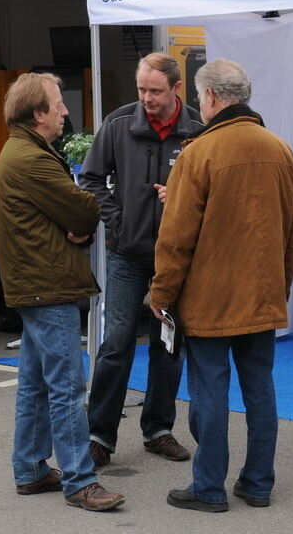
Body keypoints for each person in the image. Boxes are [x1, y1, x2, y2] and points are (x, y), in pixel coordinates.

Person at [149, 59, 293, 513]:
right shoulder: (280, 149)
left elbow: (175, 237)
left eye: (200, 97)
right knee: (260, 388)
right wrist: (281, 286)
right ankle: (257, 483)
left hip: (210, 298)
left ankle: (209, 487)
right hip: (262, 292)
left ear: (212, 98)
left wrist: (161, 293)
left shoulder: (199, 152)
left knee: (210, 391)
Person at [0, 72, 124, 512]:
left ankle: (29, 468)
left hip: (36, 284)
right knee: (68, 386)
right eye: (58, 103)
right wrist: (78, 224)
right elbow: (86, 209)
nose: (66, 111)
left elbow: (74, 214)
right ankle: (80, 482)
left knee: (35, 384)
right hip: (48, 286)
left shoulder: (23, 151)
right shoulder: (33, 159)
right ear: (38, 113)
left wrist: (74, 223)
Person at [80, 52, 202, 467]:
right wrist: (118, 221)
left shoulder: (198, 132)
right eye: (142, 90)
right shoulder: (117, 124)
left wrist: (181, 204)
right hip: (127, 255)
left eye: (156, 91)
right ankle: (99, 434)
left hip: (174, 259)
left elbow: (212, 193)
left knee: (168, 346)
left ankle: (158, 430)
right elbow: (92, 179)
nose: (147, 98)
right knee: (115, 345)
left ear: (176, 89)